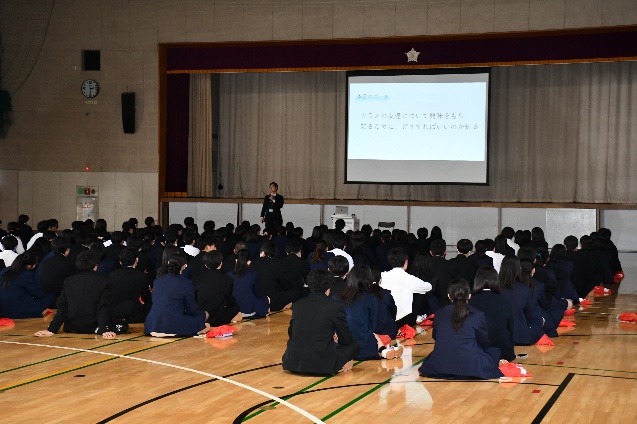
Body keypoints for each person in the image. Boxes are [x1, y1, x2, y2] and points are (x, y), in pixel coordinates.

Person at [418, 279, 504, 380]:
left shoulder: (439, 313)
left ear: (449, 296)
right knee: (495, 351)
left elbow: (436, 336)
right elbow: (484, 342)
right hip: (472, 365)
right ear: (469, 296)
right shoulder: (477, 314)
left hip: (442, 364)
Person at [282, 269, 359, 375]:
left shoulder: (298, 305)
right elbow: (345, 339)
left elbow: (292, 333)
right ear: (329, 287)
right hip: (323, 365)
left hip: (293, 364)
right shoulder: (334, 306)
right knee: (354, 345)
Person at [35, 251, 118, 339]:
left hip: (72, 327)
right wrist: (105, 329)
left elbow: (62, 308)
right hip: (94, 327)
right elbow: (103, 307)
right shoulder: (104, 281)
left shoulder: (69, 281)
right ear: (96, 264)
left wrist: (52, 329)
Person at [336, 265, 403, 360]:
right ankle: (383, 351)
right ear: (368, 279)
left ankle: (384, 351)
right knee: (373, 335)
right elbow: (372, 326)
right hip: (364, 345)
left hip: (343, 344)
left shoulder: (337, 297)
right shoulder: (371, 298)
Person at [144, 247, 208, 337]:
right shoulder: (186, 283)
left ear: (169, 263)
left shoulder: (157, 281)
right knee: (203, 316)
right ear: (185, 266)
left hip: (152, 326)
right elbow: (192, 309)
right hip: (173, 326)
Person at [470, 267, 516, 361]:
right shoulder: (504, 300)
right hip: (503, 351)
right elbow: (511, 327)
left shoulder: (470, 302)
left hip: (477, 351)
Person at [380, 247, 432, 327]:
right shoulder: (410, 279)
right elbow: (429, 287)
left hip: (385, 318)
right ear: (406, 262)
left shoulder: (382, 276)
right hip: (404, 321)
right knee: (421, 293)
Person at [498, 255, 544, 345]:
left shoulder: (495, 289)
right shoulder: (525, 290)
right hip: (521, 336)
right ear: (518, 269)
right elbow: (532, 315)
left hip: (500, 336)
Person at [193, 250, 242, 326]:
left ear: (205, 265)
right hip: (218, 316)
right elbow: (229, 300)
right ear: (221, 263)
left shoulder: (198, 279)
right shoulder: (227, 279)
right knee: (235, 307)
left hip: (202, 315)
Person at [0, 251, 53, 318]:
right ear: (29, 266)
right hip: (16, 310)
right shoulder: (26, 275)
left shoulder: (4, 271)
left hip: (3, 309)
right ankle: (39, 311)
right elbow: (38, 293)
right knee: (49, 296)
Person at [227, 249, 269, 318]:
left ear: (236, 260)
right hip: (249, 309)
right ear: (249, 262)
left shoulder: (228, 275)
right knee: (265, 299)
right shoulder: (253, 274)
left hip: (234, 309)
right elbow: (258, 293)